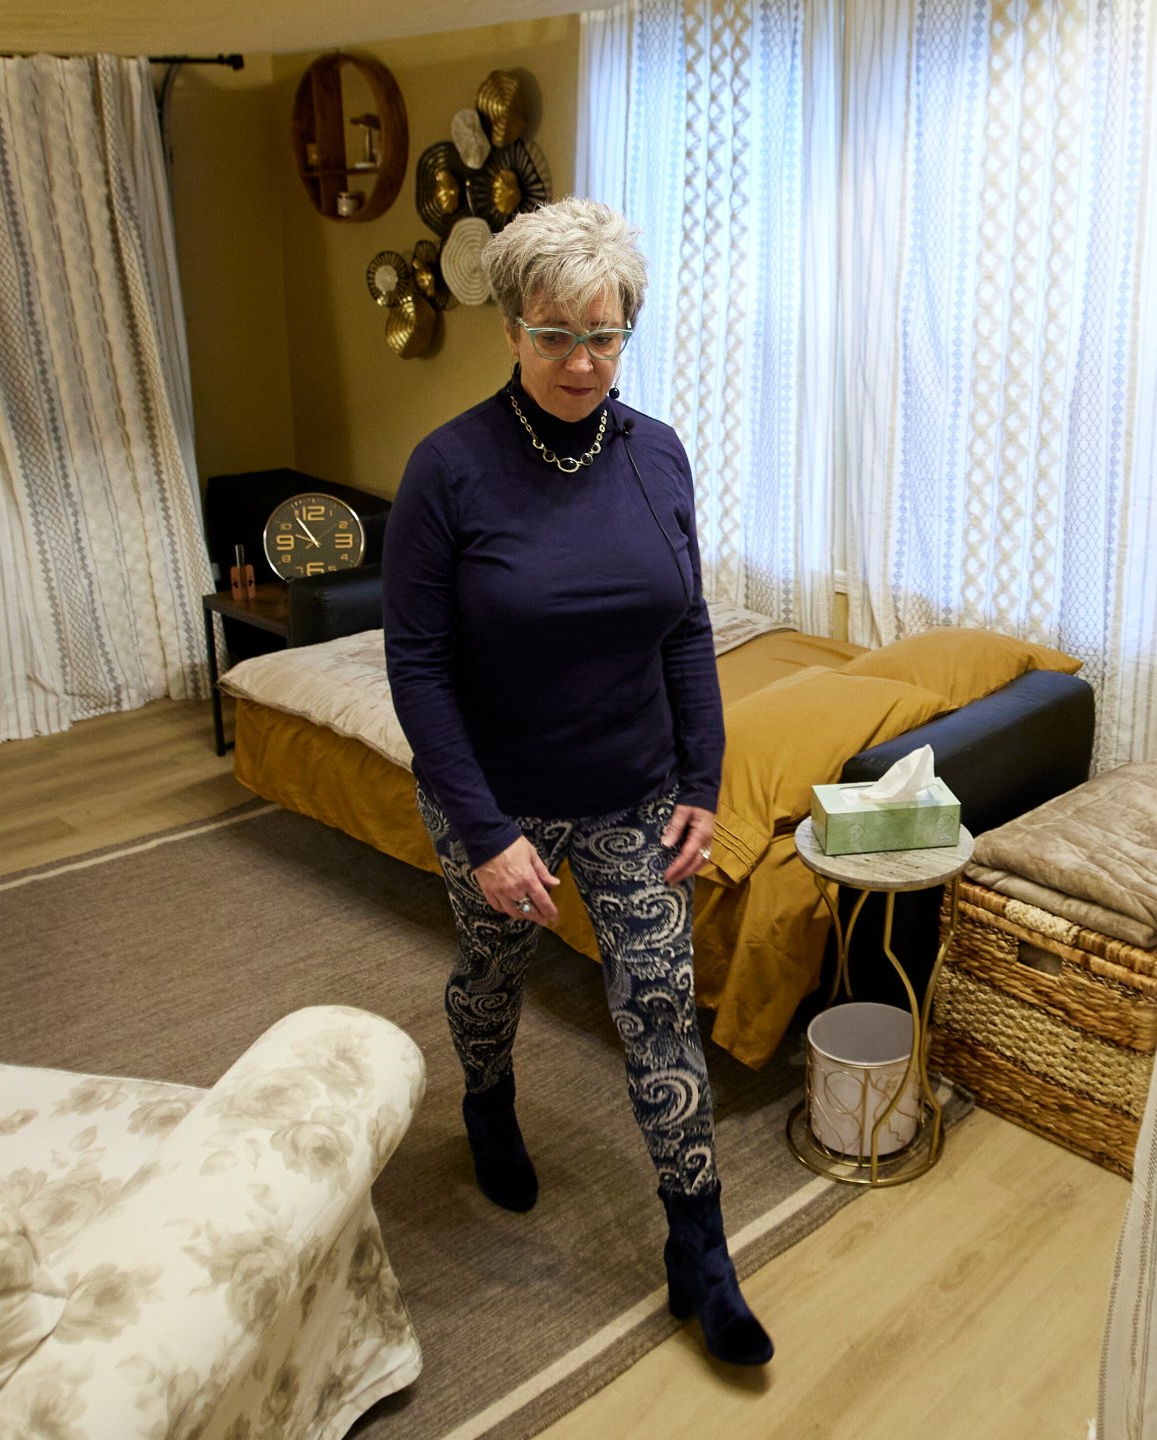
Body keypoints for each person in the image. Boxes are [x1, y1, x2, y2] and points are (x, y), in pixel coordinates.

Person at [382, 198, 771, 1368]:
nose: (582, 360)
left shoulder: (656, 453)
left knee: (659, 1012)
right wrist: (488, 830)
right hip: (493, 801)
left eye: (604, 334)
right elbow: (418, 660)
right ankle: (486, 1094)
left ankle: (698, 1252)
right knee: (491, 970)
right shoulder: (449, 470)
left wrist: (702, 776)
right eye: (554, 334)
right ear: (510, 327)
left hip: (634, 791)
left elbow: (685, 627)